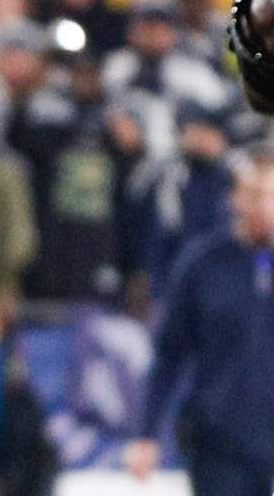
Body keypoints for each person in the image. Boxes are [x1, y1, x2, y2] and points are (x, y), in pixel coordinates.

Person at [124, 147, 274, 495]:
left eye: (272, 196)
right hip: (220, 442)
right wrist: (146, 434)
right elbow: (169, 354)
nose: (265, 206)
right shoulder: (203, 263)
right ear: (236, 197)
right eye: (256, 194)